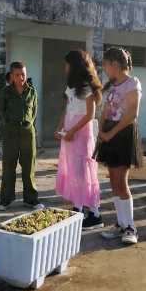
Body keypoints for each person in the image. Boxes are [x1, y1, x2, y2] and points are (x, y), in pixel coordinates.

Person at [95, 47, 143, 245]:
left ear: (114, 64)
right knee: (113, 180)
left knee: (121, 181)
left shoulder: (133, 83)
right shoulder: (111, 86)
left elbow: (132, 115)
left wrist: (110, 133)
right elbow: (106, 110)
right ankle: (120, 224)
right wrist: (100, 131)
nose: (105, 69)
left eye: (105, 65)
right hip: (109, 133)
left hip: (123, 133)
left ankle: (131, 227)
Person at [55, 50, 103, 229]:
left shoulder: (87, 88)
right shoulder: (70, 87)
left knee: (83, 172)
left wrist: (73, 131)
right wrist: (60, 127)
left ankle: (95, 214)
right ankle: (79, 208)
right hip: (69, 132)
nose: (65, 67)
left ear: (74, 66)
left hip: (81, 134)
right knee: (74, 171)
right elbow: (67, 109)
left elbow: (90, 115)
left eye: (67, 64)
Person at [0, 61, 44, 212]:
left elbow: (34, 111)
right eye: (17, 75)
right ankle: (6, 200)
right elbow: (1, 111)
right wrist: (9, 124)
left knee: (29, 167)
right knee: (8, 167)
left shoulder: (32, 91)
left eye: (23, 74)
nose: (21, 77)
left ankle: (31, 199)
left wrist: (28, 124)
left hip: (27, 133)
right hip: (10, 133)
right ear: (11, 76)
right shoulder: (6, 92)